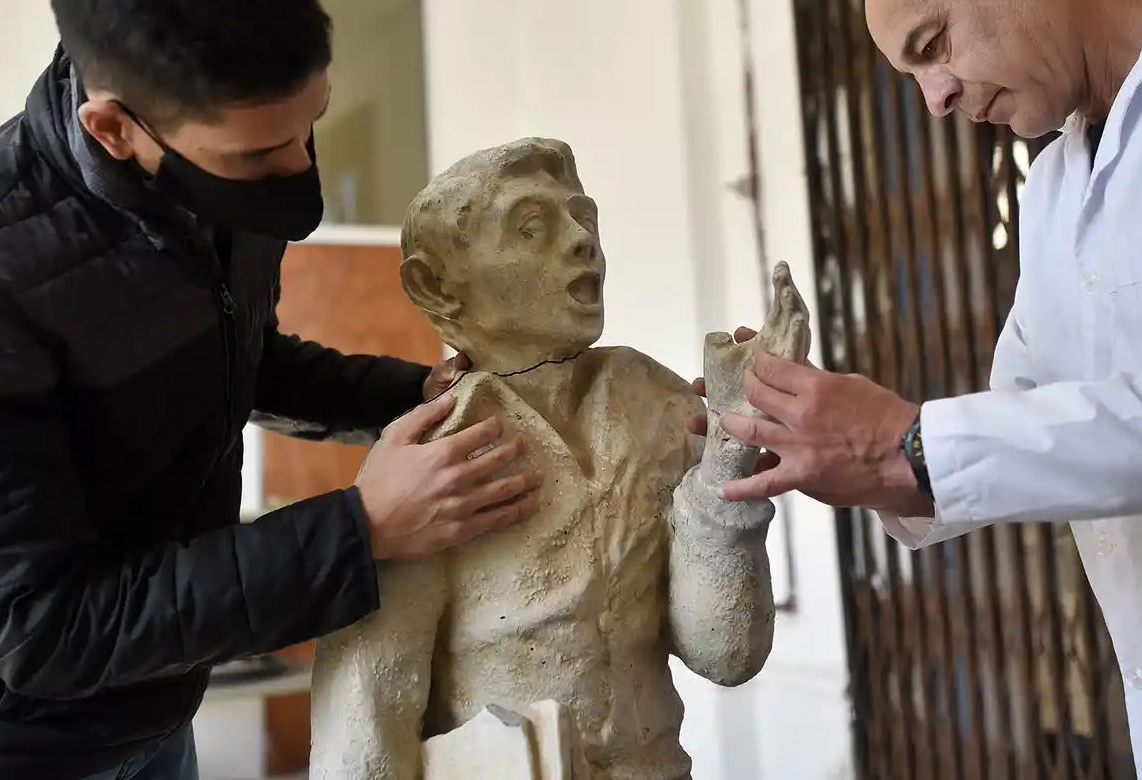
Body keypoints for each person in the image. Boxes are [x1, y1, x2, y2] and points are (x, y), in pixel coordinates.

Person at [0, 0, 539, 780]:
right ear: (115, 128)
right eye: (258, 154)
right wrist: (359, 530)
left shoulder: (209, 186)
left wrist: (414, 391)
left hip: (156, 687)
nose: (294, 170)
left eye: (310, 126)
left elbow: (237, 358)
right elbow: (40, 629)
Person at [714, 0, 1142, 779]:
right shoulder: (1052, 187)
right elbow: (1013, 416)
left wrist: (909, 444)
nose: (934, 98)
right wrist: (816, 440)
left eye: (934, 47)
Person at [308, 138, 785, 780]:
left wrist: (731, 449)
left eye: (584, 218)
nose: (581, 242)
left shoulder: (655, 402)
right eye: (532, 227)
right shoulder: (434, 460)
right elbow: (364, 724)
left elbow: (728, 652)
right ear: (438, 285)